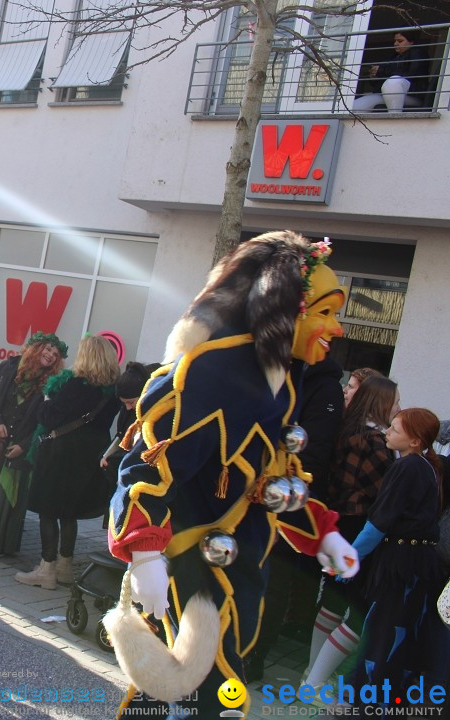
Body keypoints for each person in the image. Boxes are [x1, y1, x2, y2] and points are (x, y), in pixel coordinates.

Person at [106, 232, 359, 717]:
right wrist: (144, 555)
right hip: (193, 569)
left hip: (240, 568)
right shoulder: (208, 375)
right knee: (209, 695)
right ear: (288, 311)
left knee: (192, 694)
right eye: (325, 312)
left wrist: (320, 534)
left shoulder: (279, 385)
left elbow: (270, 480)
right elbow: (146, 467)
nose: (337, 328)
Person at [247, 355, 347, 682]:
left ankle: (254, 655)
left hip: (284, 496)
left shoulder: (324, 388)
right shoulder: (277, 371)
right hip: (253, 493)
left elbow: (310, 454)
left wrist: (292, 498)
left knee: (273, 578)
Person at [301, 374, 398, 690]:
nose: (399, 406)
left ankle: (310, 671)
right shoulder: (376, 442)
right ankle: (315, 681)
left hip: (337, 521)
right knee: (354, 606)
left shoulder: (346, 430)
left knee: (332, 597)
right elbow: (382, 491)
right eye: (395, 401)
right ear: (382, 403)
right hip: (359, 526)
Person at [348, 408, 450, 702]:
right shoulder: (426, 467)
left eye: (395, 428)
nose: (387, 432)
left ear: (416, 441)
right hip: (415, 563)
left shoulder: (410, 467)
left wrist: (348, 558)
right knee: (396, 634)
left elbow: (379, 522)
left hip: (403, 564)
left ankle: (367, 702)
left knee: (383, 634)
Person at [15, 334, 121, 588]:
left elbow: (49, 417)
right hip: (90, 454)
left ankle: (46, 569)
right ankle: (65, 567)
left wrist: (48, 398)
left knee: (49, 510)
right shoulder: (112, 392)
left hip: (60, 452)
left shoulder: (73, 385)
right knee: (69, 512)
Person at [0, 332, 67, 557]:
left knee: (5, 497)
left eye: (55, 354)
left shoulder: (51, 386)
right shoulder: (7, 368)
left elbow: (44, 423)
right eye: (47, 349)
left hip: (19, 447)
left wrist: (25, 447)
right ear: (36, 348)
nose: (50, 355)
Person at [353, 30, 431, 112]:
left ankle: (394, 117)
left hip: (412, 96)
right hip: (388, 95)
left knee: (394, 81)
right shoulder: (394, 57)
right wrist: (374, 76)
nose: (395, 44)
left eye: (400, 41)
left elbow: (412, 74)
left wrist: (382, 71)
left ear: (411, 42)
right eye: (395, 41)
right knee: (354, 108)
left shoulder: (418, 53)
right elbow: (383, 81)